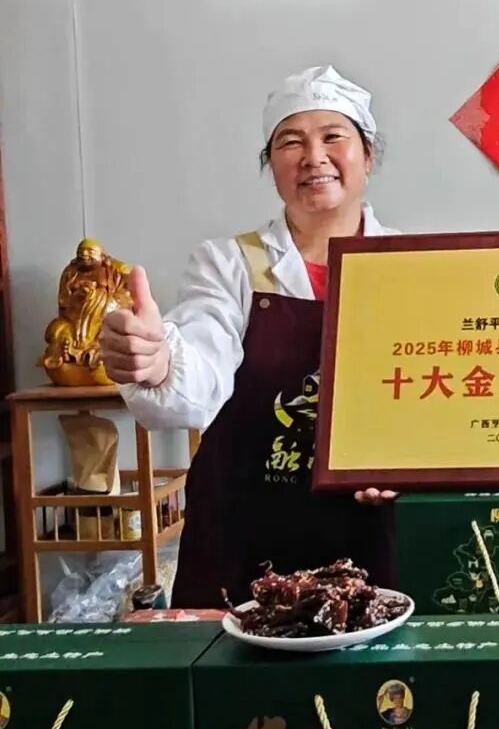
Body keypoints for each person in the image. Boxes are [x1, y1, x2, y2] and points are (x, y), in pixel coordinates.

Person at [100, 65, 398, 607]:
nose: (313, 156)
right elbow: (202, 355)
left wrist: (409, 466)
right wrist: (160, 361)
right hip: (248, 527)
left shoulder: (414, 264)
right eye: (291, 142)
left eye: (333, 136)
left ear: (368, 156)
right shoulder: (229, 263)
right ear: (271, 165)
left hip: (372, 525)